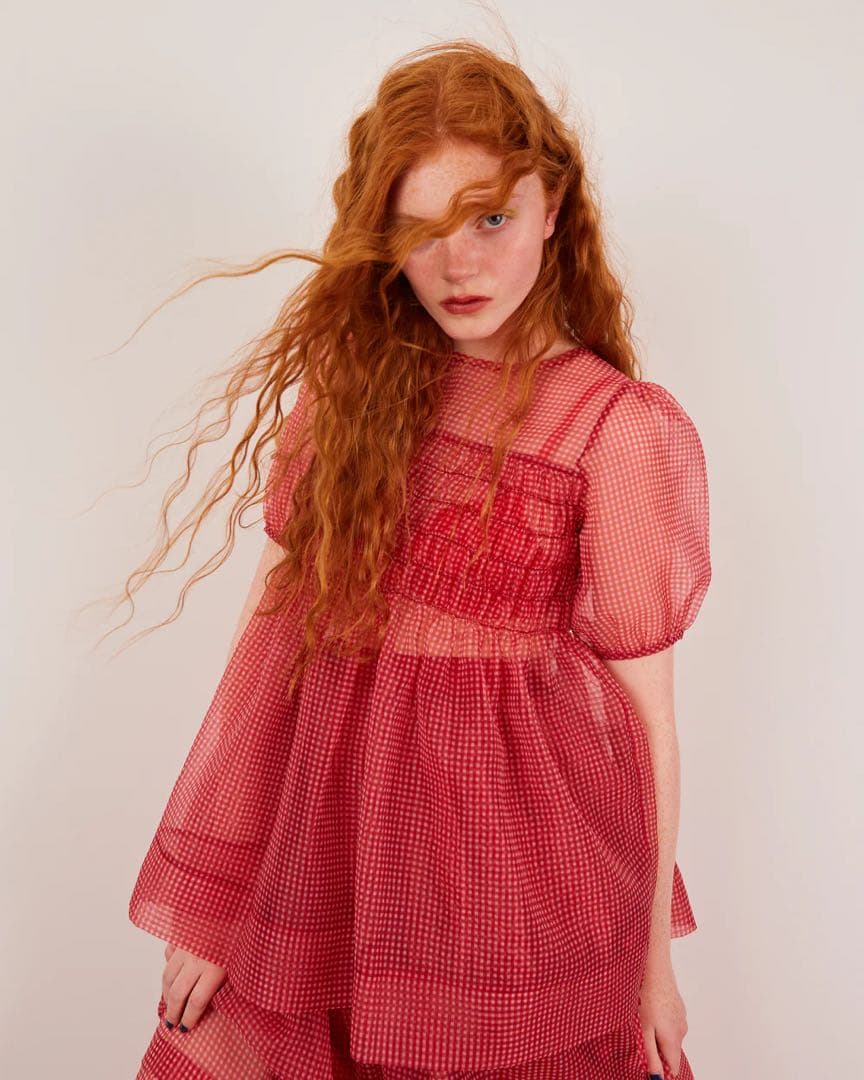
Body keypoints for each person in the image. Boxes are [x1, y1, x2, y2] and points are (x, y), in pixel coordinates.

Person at [126, 38, 711, 1080]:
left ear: (552, 205)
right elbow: (269, 655)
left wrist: (651, 965)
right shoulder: (350, 397)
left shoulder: (617, 429)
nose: (458, 265)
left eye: (488, 218)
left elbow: (646, 722)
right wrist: (219, 900)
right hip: (331, 861)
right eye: (418, 228)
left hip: (515, 891)